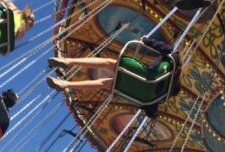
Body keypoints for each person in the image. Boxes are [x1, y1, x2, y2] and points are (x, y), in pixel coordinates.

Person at [45, 36, 182, 118]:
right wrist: (154, 114)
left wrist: (145, 40)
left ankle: (68, 61)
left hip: (143, 74)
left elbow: (166, 48)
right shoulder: (157, 98)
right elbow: (150, 111)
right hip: (135, 89)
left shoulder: (175, 60)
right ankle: (66, 84)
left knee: (108, 62)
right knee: (105, 83)